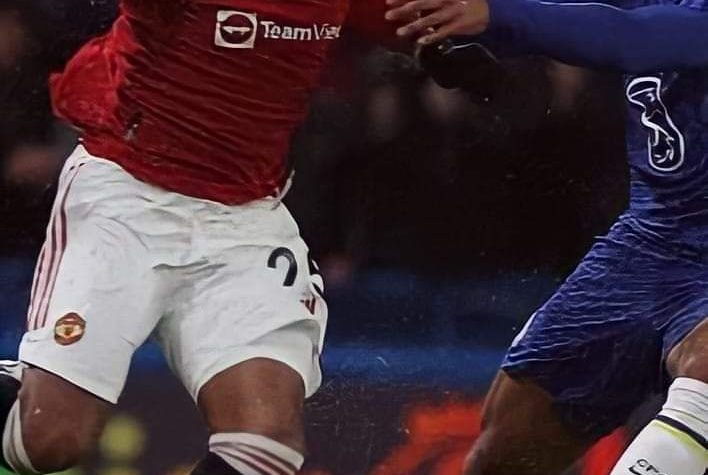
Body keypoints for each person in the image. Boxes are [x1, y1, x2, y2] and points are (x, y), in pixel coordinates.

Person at [0, 2, 403, 474]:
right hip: (129, 194)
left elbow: (423, 21)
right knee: (49, 440)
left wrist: (468, 26)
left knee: (266, 447)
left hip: (246, 219)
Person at [385, 1, 708, 474]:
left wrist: (493, 16)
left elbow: (630, 36)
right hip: (646, 242)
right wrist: (475, 43)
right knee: (500, 458)